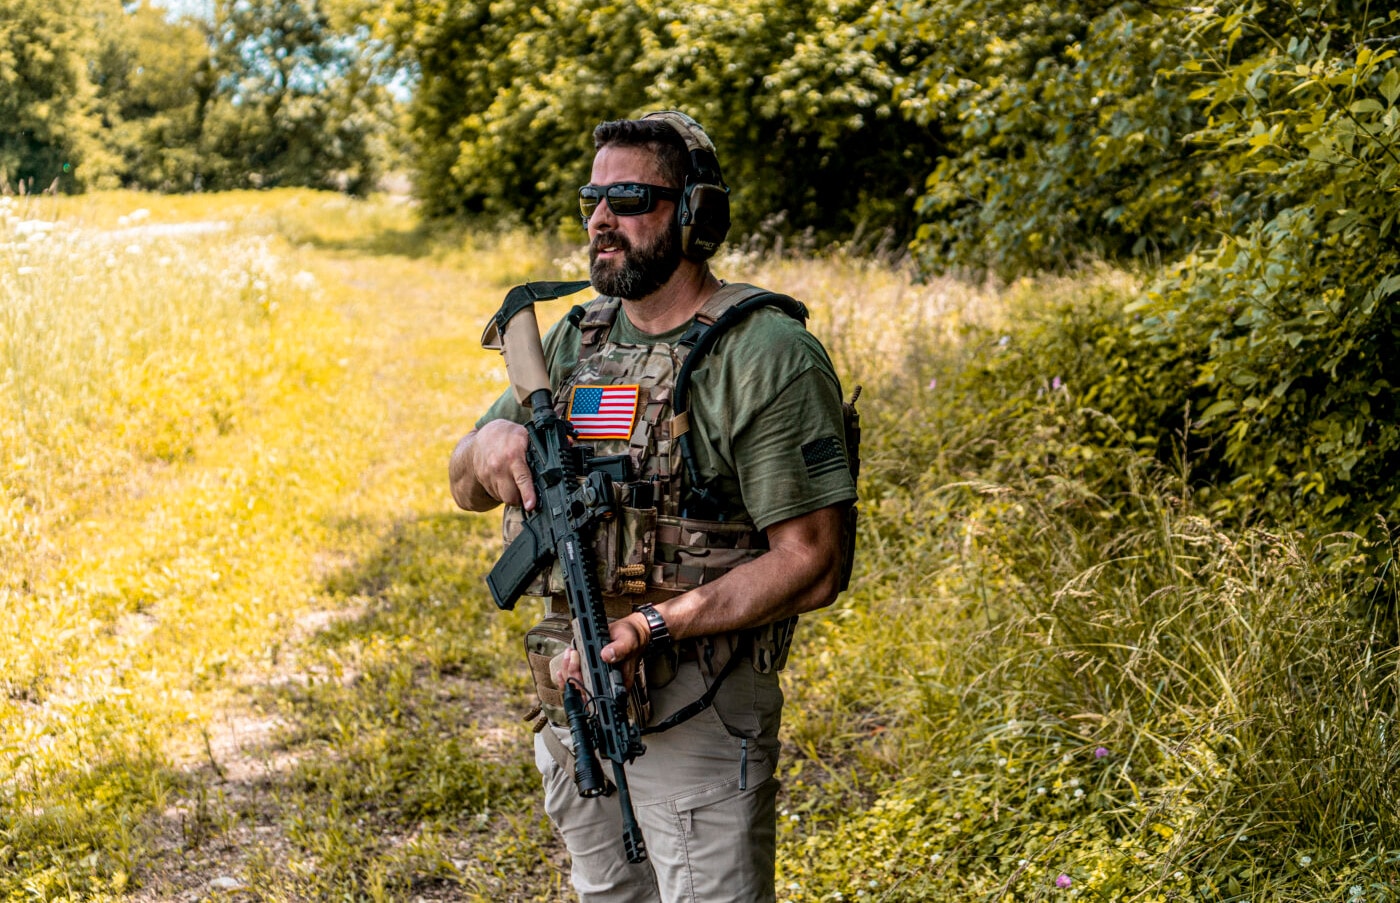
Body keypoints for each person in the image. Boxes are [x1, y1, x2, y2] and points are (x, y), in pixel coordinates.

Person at [448, 110, 857, 902]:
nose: (601, 219)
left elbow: (812, 563)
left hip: (697, 705)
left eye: (629, 197)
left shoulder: (765, 354)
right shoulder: (576, 341)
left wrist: (652, 625)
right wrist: (488, 447)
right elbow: (462, 481)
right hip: (574, 692)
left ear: (696, 214)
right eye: (591, 200)